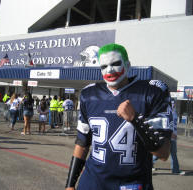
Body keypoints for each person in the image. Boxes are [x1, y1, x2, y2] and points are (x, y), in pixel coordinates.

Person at [65, 43, 173, 190]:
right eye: (104, 66)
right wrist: (70, 184)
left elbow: (163, 153)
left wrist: (135, 118)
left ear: (128, 65)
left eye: (115, 64)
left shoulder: (152, 92)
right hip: (92, 182)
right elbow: (82, 142)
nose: (109, 70)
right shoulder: (89, 94)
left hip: (131, 183)